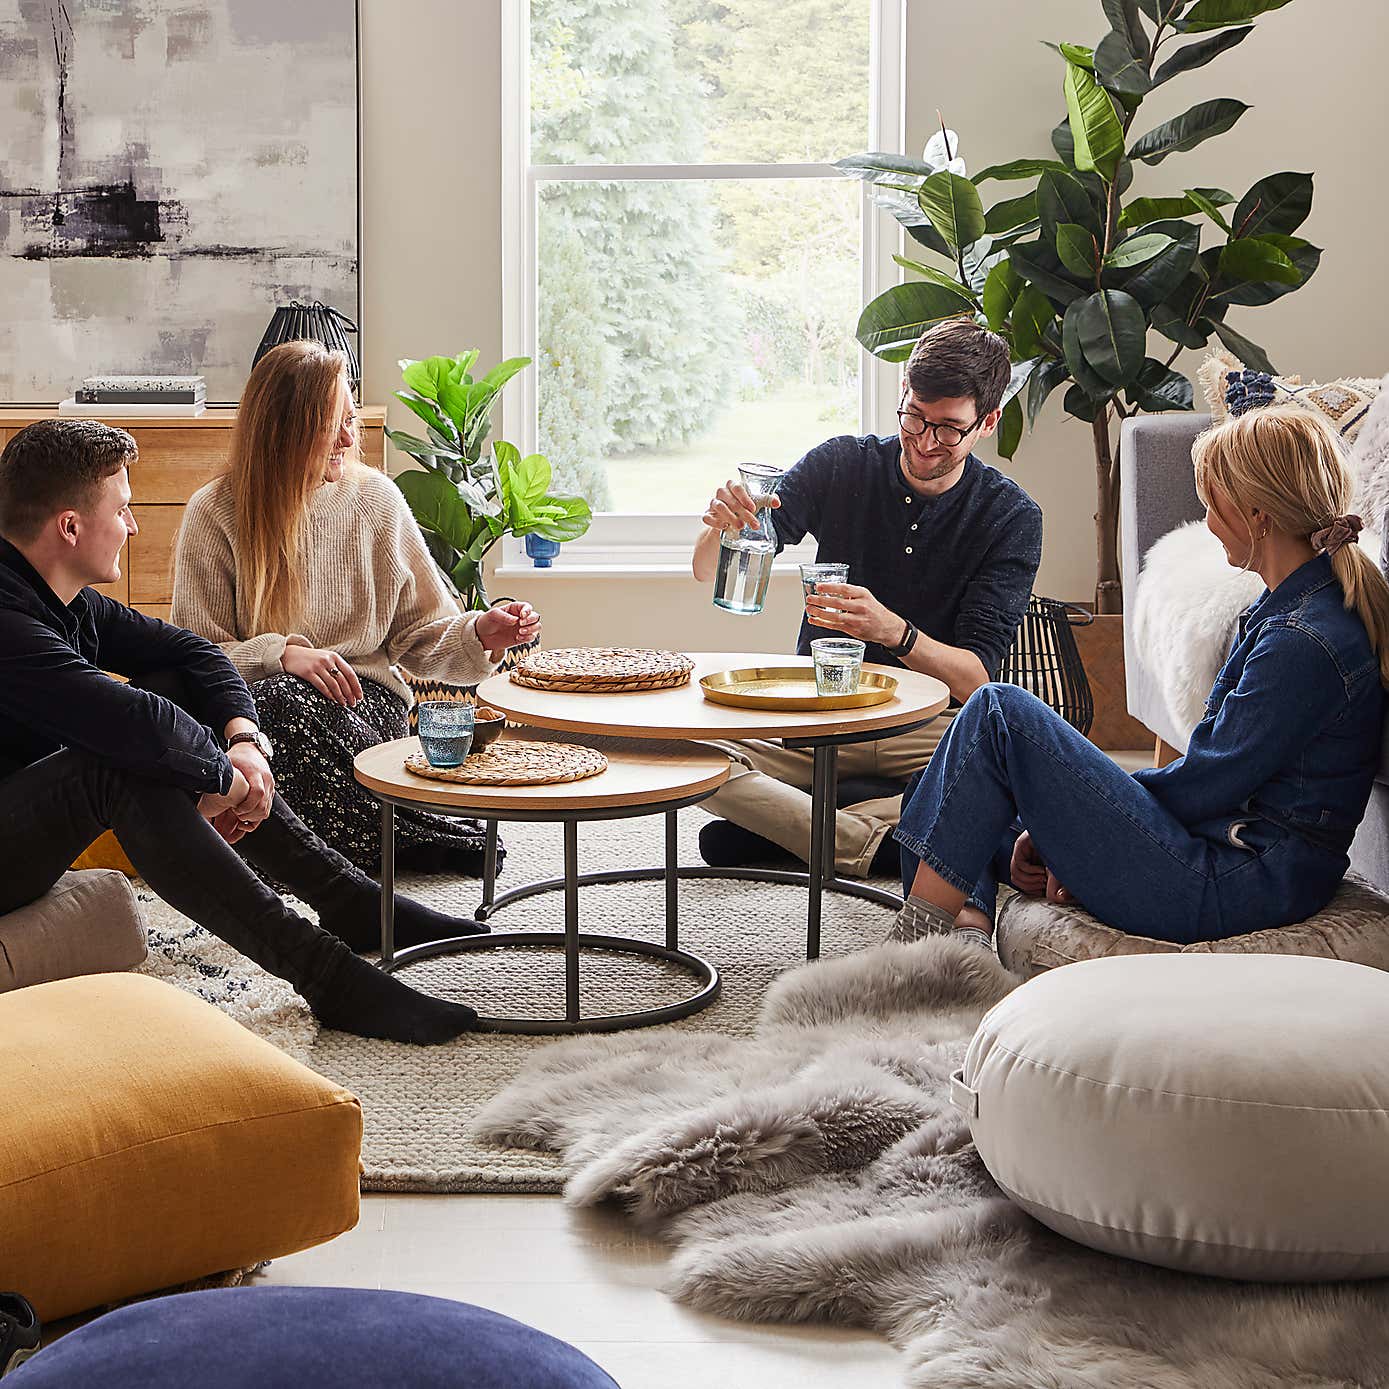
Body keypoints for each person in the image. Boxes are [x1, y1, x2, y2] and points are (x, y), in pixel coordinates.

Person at [0, 417, 493, 1045]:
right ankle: (326, 975)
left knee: (174, 691)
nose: (133, 525)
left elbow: (195, 655)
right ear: (69, 527)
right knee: (115, 766)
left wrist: (244, 742)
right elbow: (128, 720)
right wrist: (226, 782)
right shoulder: (8, 622)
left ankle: (350, 902)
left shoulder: (61, 598)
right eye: (122, 509)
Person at [889, 405, 1389, 951]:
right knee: (942, 783)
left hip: (1228, 881)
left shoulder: (1304, 641)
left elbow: (1206, 785)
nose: (1207, 522)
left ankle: (912, 958)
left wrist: (1073, 830)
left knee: (997, 714)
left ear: (1258, 515)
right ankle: (965, 933)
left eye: (1212, 504)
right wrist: (1067, 826)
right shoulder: (1292, 608)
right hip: (1220, 849)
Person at [690, 317, 1042, 878]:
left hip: (929, 726)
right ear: (903, 391)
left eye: (949, 429)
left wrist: (893, 632)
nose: (925, 441)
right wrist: (722, 527)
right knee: (691, 756)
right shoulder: (841, 463)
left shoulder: (1010, 516)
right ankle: (873, 838)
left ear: (988, 422)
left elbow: (976, 678)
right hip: (819, 717)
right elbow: (707, 571)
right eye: (914, 417)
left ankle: (799, 830)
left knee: (1016, 770)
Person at [172, 341, 540, 875]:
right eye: (332, 425)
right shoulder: (214, 512)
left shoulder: (376, 500)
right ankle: (421, 835)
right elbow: (193, 659)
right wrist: (282, 656)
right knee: (278, 707)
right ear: (284, 432)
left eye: (350, 419)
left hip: (362, 706)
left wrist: (481, 633)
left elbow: (420, 637)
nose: (349, 438)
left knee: (288, 731)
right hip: (253, 714)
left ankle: (338, 850)